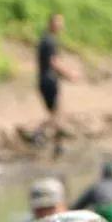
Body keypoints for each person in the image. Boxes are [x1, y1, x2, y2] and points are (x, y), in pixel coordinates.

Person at [36, 13, 79, 157]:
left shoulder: (45, 39)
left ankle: (57, 146)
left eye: (61, 23)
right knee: (57, 114)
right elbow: (54, 63)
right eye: (58, 23)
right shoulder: (50, 41)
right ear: (51, 24)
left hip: (44, 80)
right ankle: (39, 133)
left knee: (56, 114)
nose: (61, 26)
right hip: (49, 81)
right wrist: (69, 74)